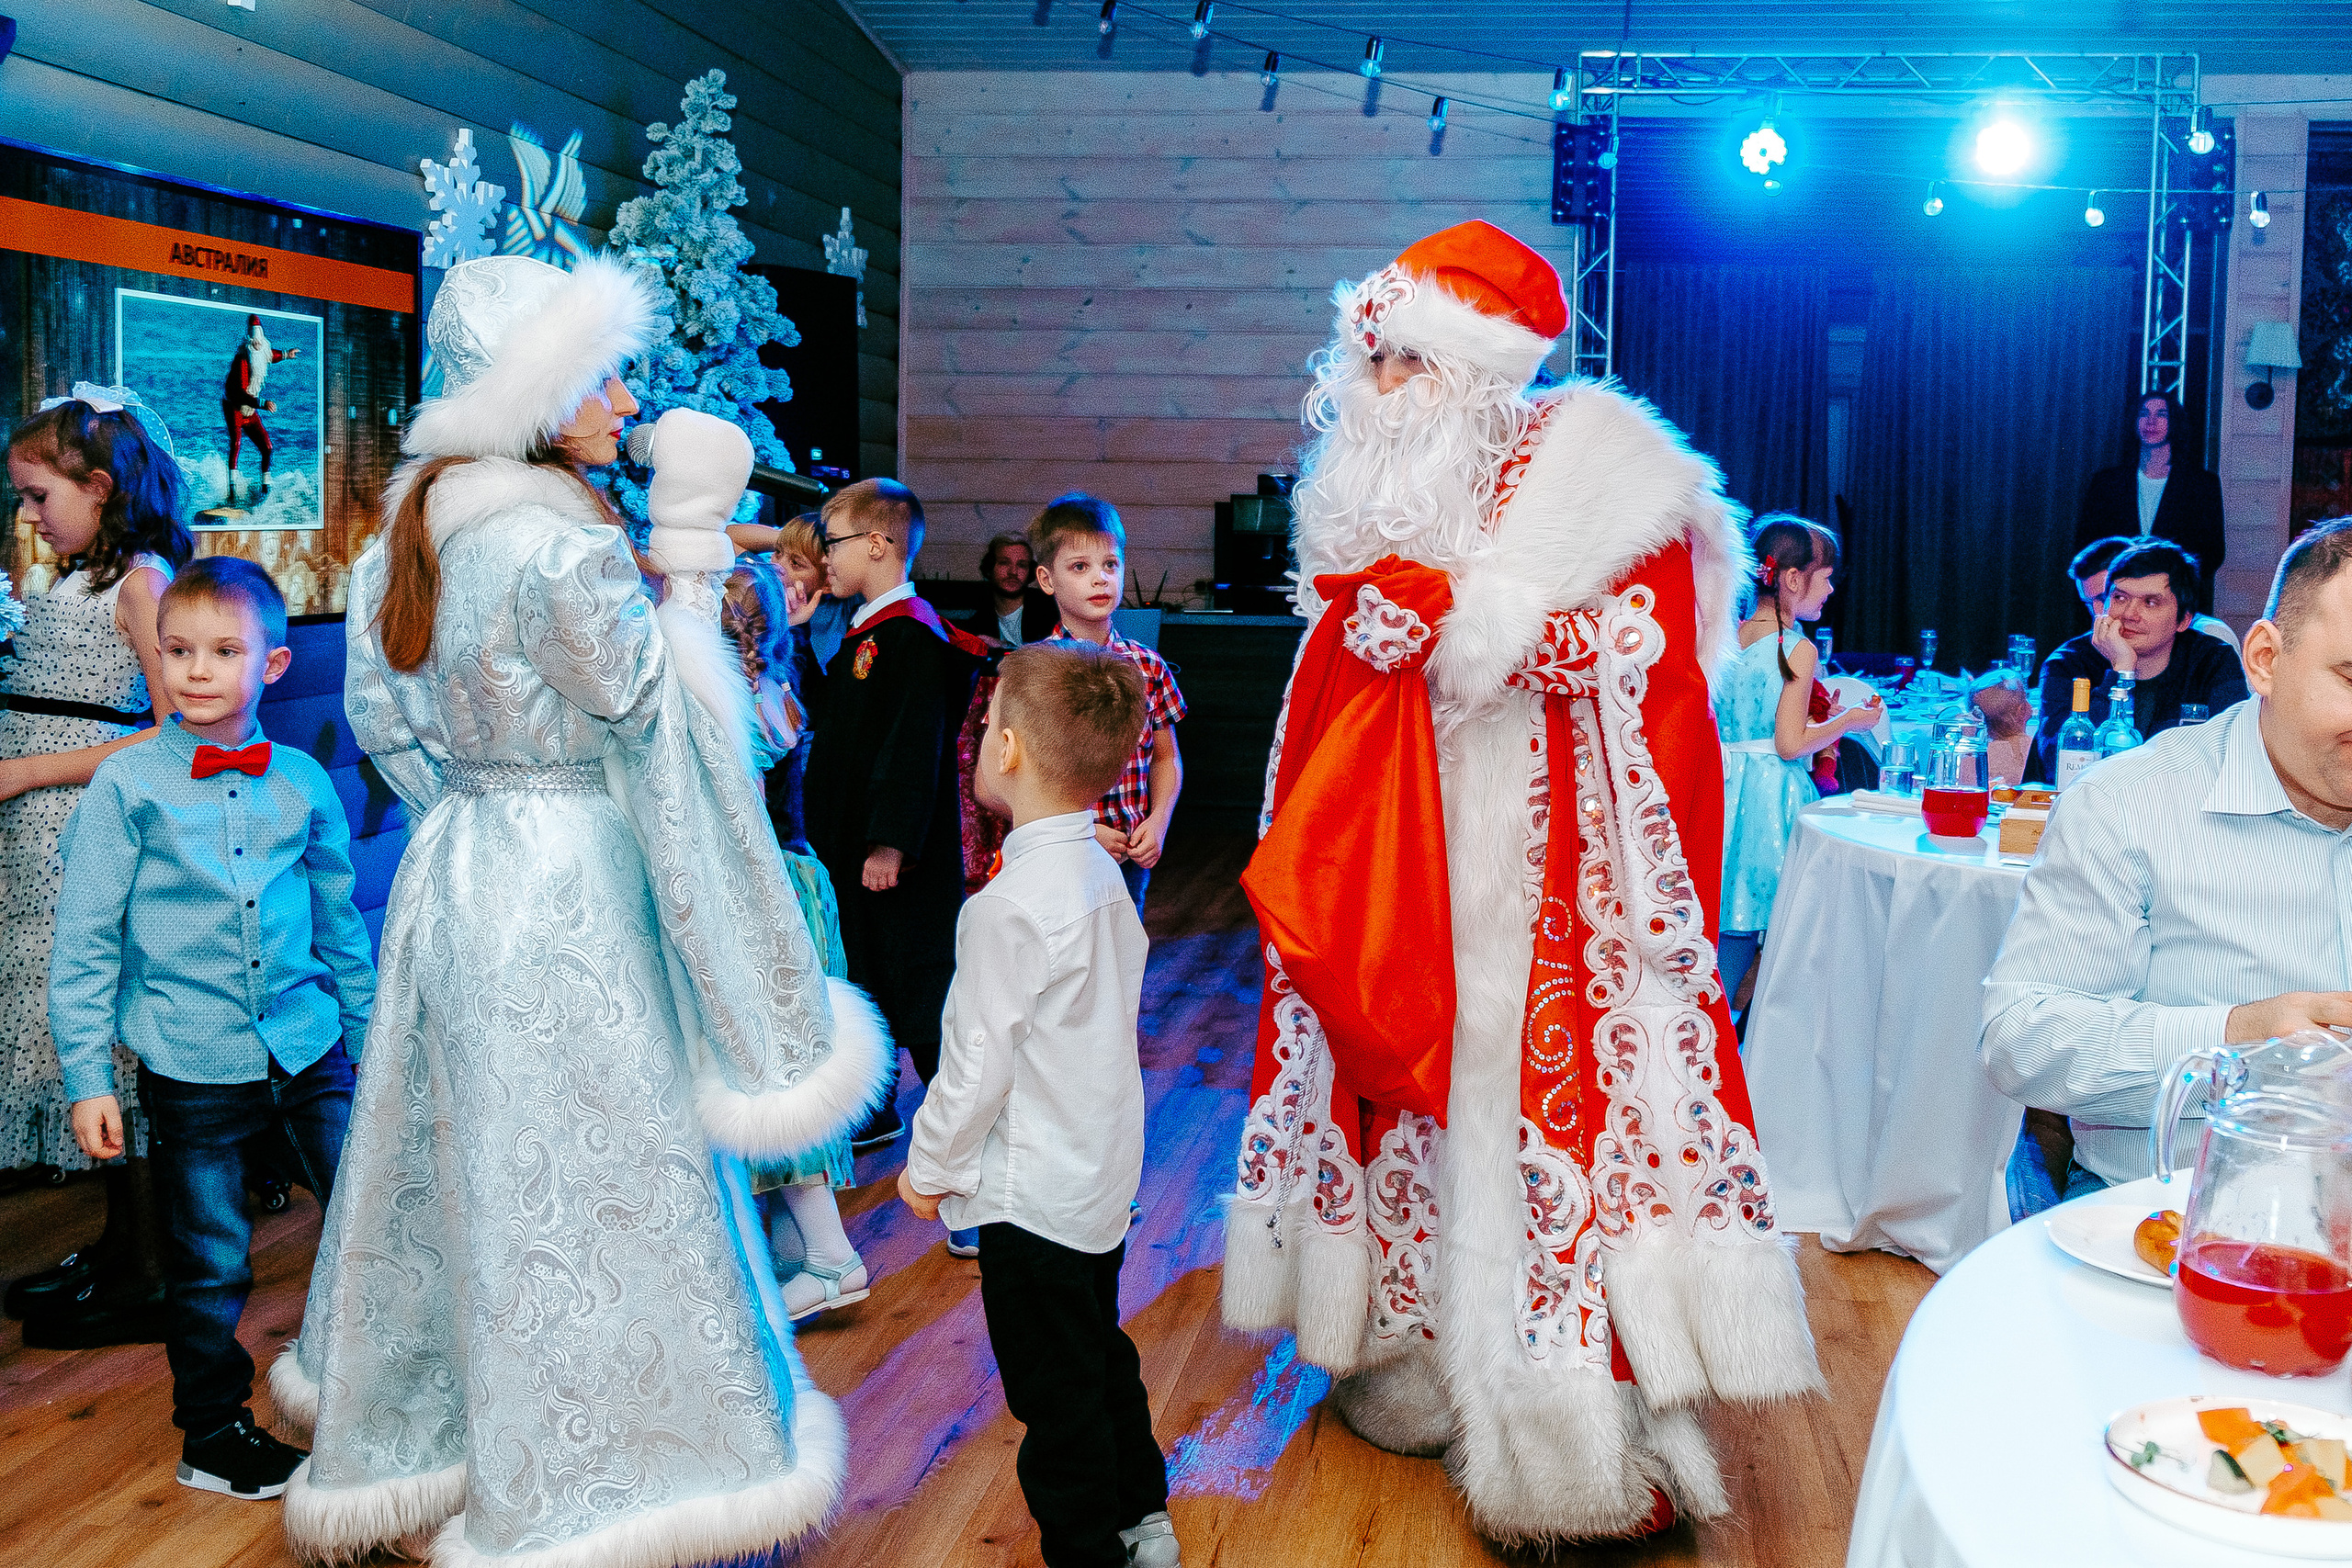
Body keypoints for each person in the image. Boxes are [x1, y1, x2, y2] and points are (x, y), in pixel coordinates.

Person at [273, 254, 888, 1567]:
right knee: (598, 1178)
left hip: (457, 869)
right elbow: (673, 737)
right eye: (600, 377)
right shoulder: (561, 545)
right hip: (571, 893)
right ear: (534, 395)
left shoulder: (403, 540)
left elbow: (384, 722)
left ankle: (444, 1440)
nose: (623, 400)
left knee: (470, 1160)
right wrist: (691, 558)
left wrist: (482, 804)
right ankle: (598, 1476)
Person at [1223, 221, 1821, 1545]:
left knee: (1541, 1122)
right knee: (1400, 1108)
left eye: (1405, 363)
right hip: (1397, 858)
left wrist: (1470, 630)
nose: (1378, 391)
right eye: (1367, 363)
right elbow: (1338, 659)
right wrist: (1374, 639)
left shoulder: (1603, 479)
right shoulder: (1372, 487)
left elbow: (1652, 669)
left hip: (1543, 878)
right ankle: (1412, 1355)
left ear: (1478, 370)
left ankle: (1573, 1430)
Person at [48, 555, 370, 1499]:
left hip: (310, 1047)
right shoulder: (126, 786)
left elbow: (340, 925)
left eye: (225, 651)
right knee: (209, 1258)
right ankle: (214, 1433)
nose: (196, 669)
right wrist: (87, 1078)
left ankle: (379, 1397)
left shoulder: (303, 781)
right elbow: (85, 939)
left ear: (272, 664)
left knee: (369, 1218)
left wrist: (370, 1036)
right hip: (191, 1064)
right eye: (178, 650)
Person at [898, 641, 1176, 1568]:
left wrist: (928, 1169)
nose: (979, 740)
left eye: (985, 727)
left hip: (1031, 1198)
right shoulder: (1100, 875)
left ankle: (1090, 1549)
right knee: (1096, 1349)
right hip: (1096, 1175)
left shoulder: (1006, 907)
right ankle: (1143, 1516)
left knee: (1052, 1391)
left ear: (1008, 749)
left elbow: (974, 1064)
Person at [1983, 516, 2352, 1200]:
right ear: (2265, 660)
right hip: (2175, 1213)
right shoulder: (2131, 804)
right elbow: (2021, 1038)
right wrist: (2238, 1035)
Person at [1, 386, 190, 1348]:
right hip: (37, 841)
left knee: (110, 1039)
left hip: (83, 830)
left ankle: (151, 1271)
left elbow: (175, 727)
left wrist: (28, 770)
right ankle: (120, 1247)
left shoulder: (142, 585)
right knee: (72, 1033)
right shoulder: (73, 578)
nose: (27, 515)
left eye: (39, 496)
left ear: (103, 488)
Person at [800, 479, 976, 1180]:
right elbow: (838, 721)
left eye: (833, 542)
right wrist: (795, 633)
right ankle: (875, 1107)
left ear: (877, 544)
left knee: (917, 984)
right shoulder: (869, 630)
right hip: (854, 849)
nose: (825, 557)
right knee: (868, 971)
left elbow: (913, 747)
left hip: (893, 856)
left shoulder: (912, 635)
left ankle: (965, 1122)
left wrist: (890, 841)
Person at [720, 559, 871, 1320]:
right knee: (791, 1062)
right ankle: (795, 1254)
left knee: (770, 1071)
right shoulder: (778, 690)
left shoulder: (730, 710)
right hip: (802, 881)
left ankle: (831, 1256)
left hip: (763, 894)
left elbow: (737, 825)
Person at [1715, 514, 1881, 1010]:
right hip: (1771, 795)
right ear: (1792, 579)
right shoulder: (1796, 649)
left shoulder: (1728, 637)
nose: (1830, 590)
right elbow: (1788, 743)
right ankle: (1736, 1030)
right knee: (1769, 924)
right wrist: (1849, 721)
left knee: (1730, 917)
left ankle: (1716, 1023)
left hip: (1727, 789)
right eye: (1825, 578)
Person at [1033, 494, 1186, 914]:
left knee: (1125, 947)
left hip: (1129, 855)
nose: (1100, 579)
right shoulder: (1036, 671)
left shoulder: (1148, 666)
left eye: (1111, 565)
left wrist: (1158, 820)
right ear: (1047, 579)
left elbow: (1165, 757)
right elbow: (1022, 776)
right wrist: (1081, 830)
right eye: (1080, 567)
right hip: (1060, 853)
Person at [2034, 539, 2248, 776]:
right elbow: (2057, 764)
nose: (2129, 614)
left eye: (2150, 602)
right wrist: (2121, 672)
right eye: (2120, 598)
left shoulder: (2213, 660)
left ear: (2184, 620)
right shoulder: (2068, 663)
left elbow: (2236, 756)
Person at [2074, 392, 2226, 608]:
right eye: (2144, 413)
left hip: (2172, 600)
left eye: (2161, 414)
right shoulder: (2107, 482)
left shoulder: (2201, 484)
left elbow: (2212, 552)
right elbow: (2088, 544)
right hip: (2115, 597)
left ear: (2174, 422)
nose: (2151, 421)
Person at [2071, 534, 2237, 648]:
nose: (2098, 613)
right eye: (2089, 603)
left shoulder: (2211, 636)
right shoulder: (2076, 655)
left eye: (2108, 597)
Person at [220, 314, 300, 507]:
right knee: (236, 443)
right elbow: (240, 394)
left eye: (259, 342)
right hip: (235, 407)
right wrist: (263, 403)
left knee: (267, 447)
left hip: (250, 409)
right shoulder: (242, 360)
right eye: (253, 342)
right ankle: (232, 492)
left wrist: (287, 354)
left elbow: (272, 355)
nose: (257, 345)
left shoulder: (263, 352)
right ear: (249, 341)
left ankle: (265, 489)